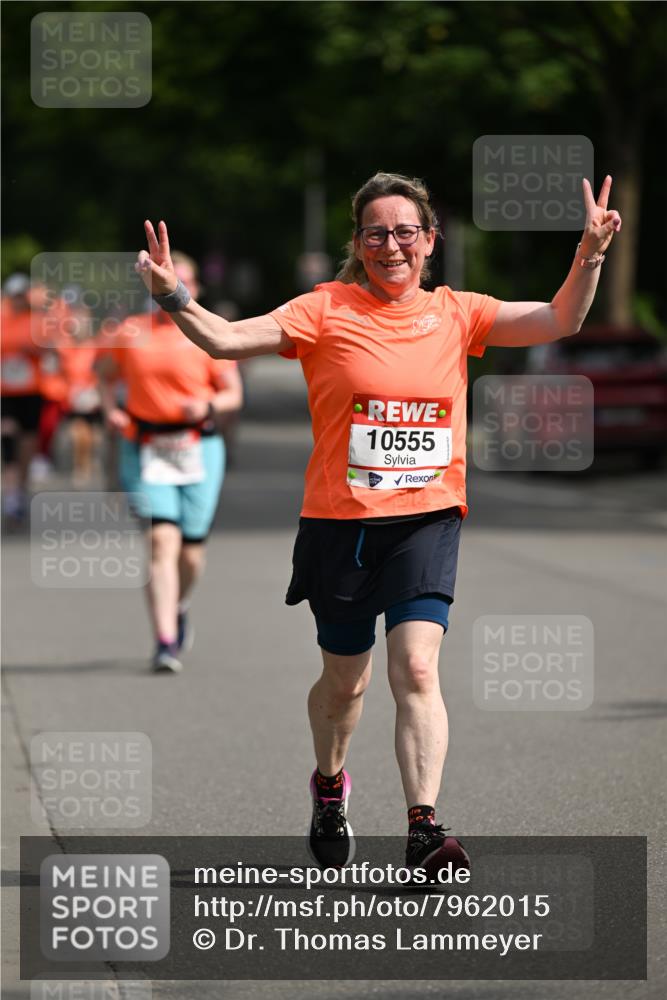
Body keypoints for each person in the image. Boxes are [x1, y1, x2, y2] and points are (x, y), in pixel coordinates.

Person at [134, 171, 621, 871]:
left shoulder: (458, 312)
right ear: (358, 245)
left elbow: (558, 319)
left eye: (404, 232)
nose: (390, 245)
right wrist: (172, 295)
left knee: (417, 669)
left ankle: (423, 827)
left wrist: (591, 253)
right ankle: (329, 786)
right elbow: (223, 339)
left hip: (426, 519)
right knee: (344, 684)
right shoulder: (323, 309)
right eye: (375, 233)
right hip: (340, 525)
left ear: (429, 240)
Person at [97, 252, 243, 673]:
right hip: (144, 446)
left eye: (185, 282)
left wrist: (209, 403)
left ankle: (179, 604)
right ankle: (164, 642)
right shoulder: (129, 331)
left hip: (199, 448)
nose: (175, 287)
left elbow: (233, 395)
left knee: (191, 552)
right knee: (162, 540)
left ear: (195, 288)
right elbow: (104, 375)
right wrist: (111, 409)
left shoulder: (208, 333)